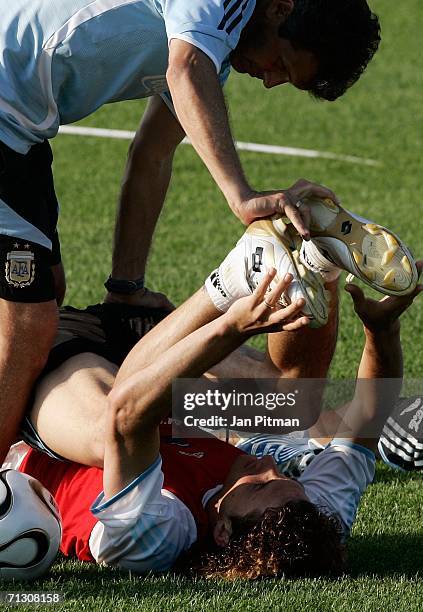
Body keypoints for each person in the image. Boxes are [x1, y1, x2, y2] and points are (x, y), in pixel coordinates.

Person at [0, 0, 382, 462]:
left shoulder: (209, 48)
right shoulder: (212, 20)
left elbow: (151, 157)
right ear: (282, 9)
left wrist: (126, 289)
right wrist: (241, 196)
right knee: (27, 322)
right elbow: (185, 67)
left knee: (42, 295)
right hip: (5, 106)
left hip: (21, 132)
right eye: (281, 64)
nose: (269, 79)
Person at [4, 244, 421, 578]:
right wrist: (381, 331)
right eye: (284, 478)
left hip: (57, 384)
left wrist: (227, 322)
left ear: (222, 532)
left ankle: (232, 276)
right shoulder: (308, 514)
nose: (270, 468)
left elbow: (126, 414)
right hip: (140, 350)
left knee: (102, 435)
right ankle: (315, 260)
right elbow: (368, 414)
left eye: (258, 486)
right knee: (294, 406)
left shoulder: (154, 540)